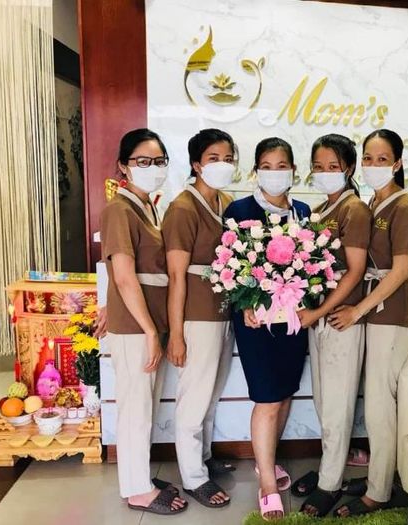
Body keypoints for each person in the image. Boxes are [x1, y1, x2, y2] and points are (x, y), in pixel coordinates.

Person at [329, 129, 408, 517]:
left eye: (382, 159)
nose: (372, 165)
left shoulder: (406, 210)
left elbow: (400, 271)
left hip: (392, 318)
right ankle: (379, 477)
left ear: (397, 163)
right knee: (374, 404)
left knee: (379, 407)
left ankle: (380, 492)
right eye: (367, 158)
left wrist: (357, 310)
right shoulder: (373, 203)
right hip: (375, 314)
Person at [223, 137, 311, 521]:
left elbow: (311, 266)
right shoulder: (239, 210)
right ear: (256, 170)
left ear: (293, 170)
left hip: (292, 319)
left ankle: (267, 462)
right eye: (267, 166)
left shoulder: (302, 211)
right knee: (267, 397)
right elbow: (227, 266)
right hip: (256, 321)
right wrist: (245, 305)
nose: (275, 173)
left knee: (286, 391)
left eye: (282, 166)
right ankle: (268, 485)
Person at [101, 128, 187, 515]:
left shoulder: (147, 207)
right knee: (135, 407)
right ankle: (136, 489)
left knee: (146, 405)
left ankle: (141, 477)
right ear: (124, 166)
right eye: (142, 161)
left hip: (150, 320)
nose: (153, 168)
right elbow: (123, 275)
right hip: (138, 327)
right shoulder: (118, 210)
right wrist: (151, 331)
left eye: (159, 161)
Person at [292, 134, 371, 517]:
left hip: (340, 318)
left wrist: (320, 311)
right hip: (320, 316)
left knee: (337, 405)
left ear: (349, 168)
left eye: (333, 167)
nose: (325, 173)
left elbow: (354, 271)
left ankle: (329, 484)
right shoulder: (322, 209)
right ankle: (331, 468)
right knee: (324, 402)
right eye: (318, 167)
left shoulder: (354, 210)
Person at [161, 128, 238, 508]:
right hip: (196, 317)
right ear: (196, 164)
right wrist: (176, 334)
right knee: (194, 398)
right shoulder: (183, 209)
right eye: (213, 158)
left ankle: (203, 458)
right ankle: (193, 477)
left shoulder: (226, 203)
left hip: (223, 314)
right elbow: (177, 276)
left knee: (211, 393)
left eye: (228, 158)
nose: (222, 165)